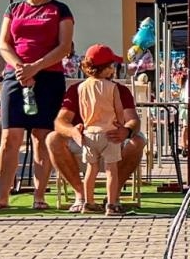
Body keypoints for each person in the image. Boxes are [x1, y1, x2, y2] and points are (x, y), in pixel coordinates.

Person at [0, 0, 72, 211]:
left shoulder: (60, 9)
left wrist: (35, 67)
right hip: (16, 76)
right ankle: (2, 196)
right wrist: (20, 67)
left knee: (41, 136)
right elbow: (4, 43)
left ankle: (39, 196)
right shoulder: (13, 9)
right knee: (9, 137)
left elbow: (64, 47)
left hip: (49, 77)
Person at [46, 62, 144, 215]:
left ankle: (108, 197)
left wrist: (126, 130)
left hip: (99, 138)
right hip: (92, 139)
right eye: (110, 66)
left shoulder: (116, 89)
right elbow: (60, 121)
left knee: (137, 140)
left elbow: (133, 120)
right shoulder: (81, 89)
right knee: (53, 139)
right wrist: (72, 131)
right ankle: (83, 196)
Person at [74, 44, 137, 216]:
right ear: (106, 68)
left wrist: (86, 123)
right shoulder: (112, 87)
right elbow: (118, 109)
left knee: (91, 169)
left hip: (89, 132)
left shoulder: (81, 87)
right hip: (110, 132)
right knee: (111, 170)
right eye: (112, 66)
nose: (113, 69)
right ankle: (111, 204)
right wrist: (120, 124)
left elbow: (82, 110)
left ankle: (88, 202)